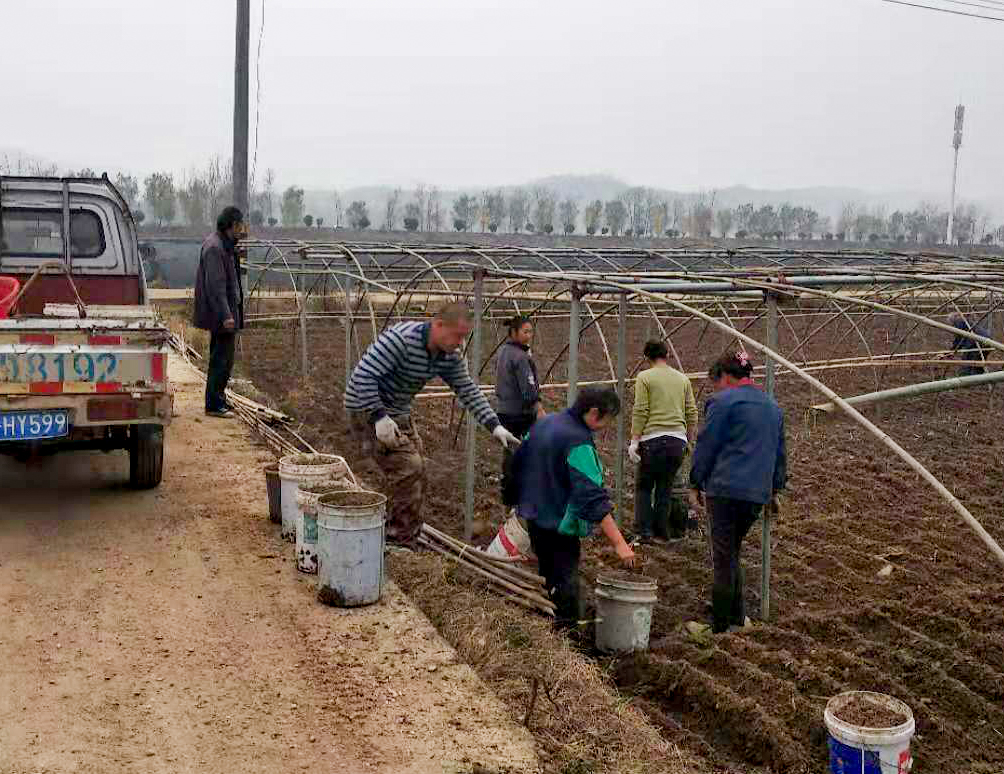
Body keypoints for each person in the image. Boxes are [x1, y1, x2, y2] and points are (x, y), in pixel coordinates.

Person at [344, 303, 520, 547]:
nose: (460, 342)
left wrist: (494, 425)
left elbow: (466, 389)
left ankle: (405, 529)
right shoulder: (401, 340)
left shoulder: (448, 356)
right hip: (365, 408)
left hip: (398, 412)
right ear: (438, 325)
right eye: (457, 335)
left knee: (419, 470)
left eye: (464, 337)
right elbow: (363, 376)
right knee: (408, 467)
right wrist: (378, 417)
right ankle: (398, 541)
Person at [505, 385, 635, 629]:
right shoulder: (578, 441)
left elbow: (517, 461)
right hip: (559, 522)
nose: (606, 426)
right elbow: (591, 496)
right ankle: (568, 637)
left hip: (534, 515)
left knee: (547, 572)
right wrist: (619, 543)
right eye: (607, 419)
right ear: (594, 413)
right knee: (566, 579)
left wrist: (516, 500)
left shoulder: (544, 424)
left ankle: (549, 620)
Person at [689, 350, 787, 634]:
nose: (716, 388)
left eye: (717, 382)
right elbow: (779, 453)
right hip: (756, 493)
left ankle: (719, 628)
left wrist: (695, 483)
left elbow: (707, 445)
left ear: (726, 377)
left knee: (722, 557)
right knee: (731, 552)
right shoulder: (772, 406)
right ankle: (737, 619)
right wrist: (775, 489)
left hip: (725, 490)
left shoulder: (722, 402)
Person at [629, 339, 698, 542]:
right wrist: (689, 440)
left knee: (644, 486)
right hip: (677, 441)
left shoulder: (644, 377)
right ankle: (662, 532)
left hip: (652, 441)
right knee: (665, 488)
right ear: (667, 355)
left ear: (646, 357)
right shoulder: (682, 379)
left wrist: (634, 440)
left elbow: (641, 410)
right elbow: (691, 412)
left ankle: (644, 532)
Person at [193, 206, 245, 418]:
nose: (242, 230)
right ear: (231, 225)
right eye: (240, 226)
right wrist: (226, 315)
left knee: (225, 357)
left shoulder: (224, 245)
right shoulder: (215, 248)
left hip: (226, 312)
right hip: (221, 315)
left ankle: (218, 400)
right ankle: (214, 404)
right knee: (221, 359)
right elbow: (216, 286)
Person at [495, 315, 545, 499]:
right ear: (514, 333)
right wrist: (537, 408)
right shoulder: (520, 356)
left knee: (509, 449)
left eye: (531, 331)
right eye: (525, 331)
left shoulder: (503, 351)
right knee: (529, 448)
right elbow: (528, 385)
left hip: (504, 410)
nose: (529, 335)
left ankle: (509, 491)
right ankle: (523, 490)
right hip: (520, 412)